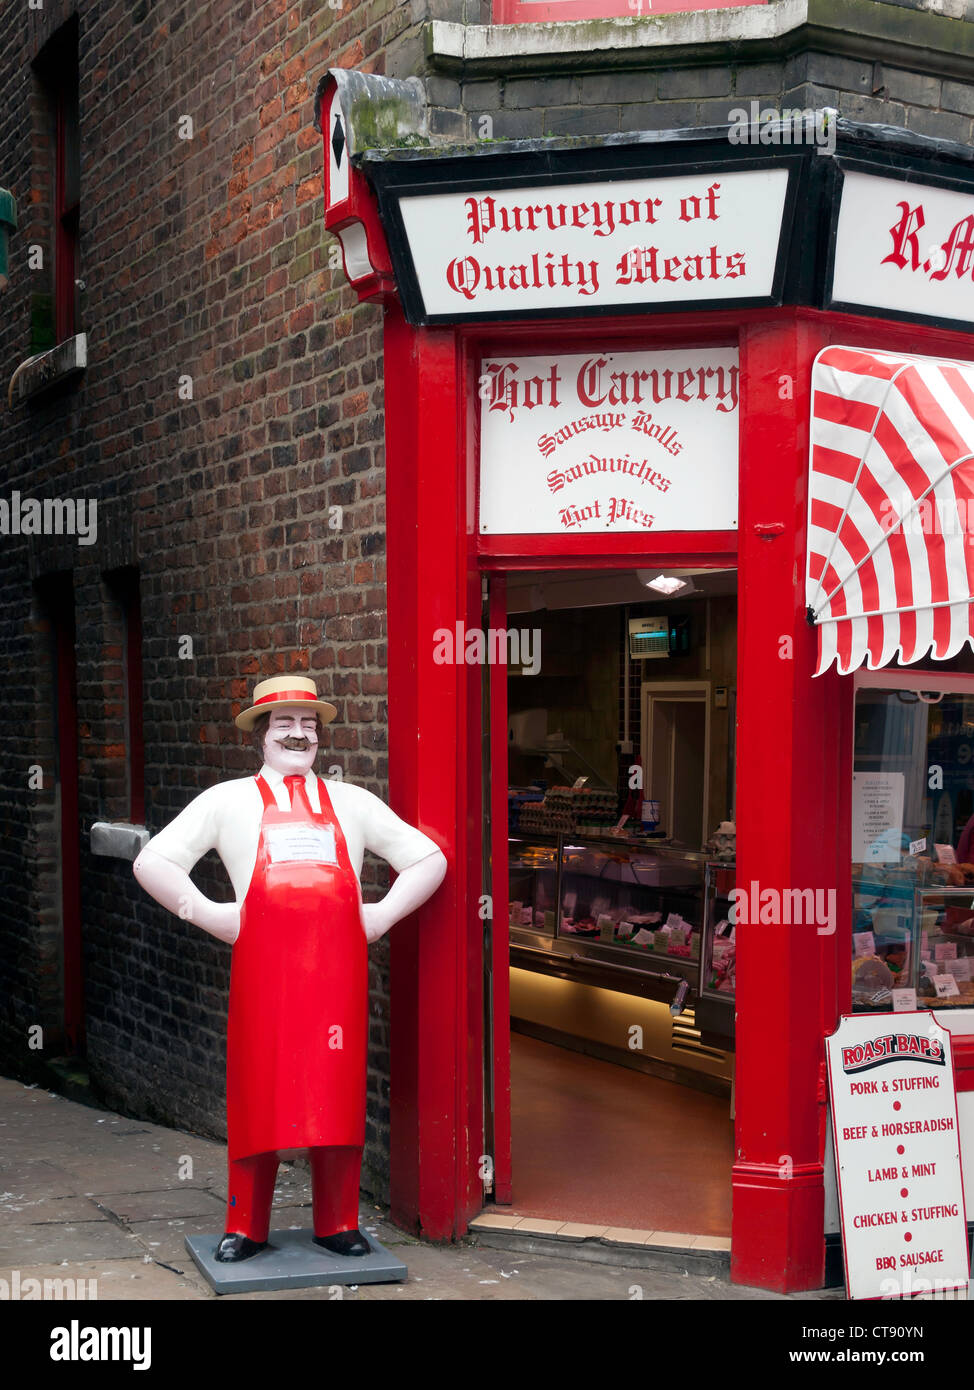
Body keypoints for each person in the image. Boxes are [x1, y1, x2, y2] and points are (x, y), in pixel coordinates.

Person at [133, 674, 447, 1262]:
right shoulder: (226, 801)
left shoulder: (352, 803)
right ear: (261, 735)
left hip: (337, 979)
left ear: (321, 736)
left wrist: (379, 918)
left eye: (309, 724)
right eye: (285, 723)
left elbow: (427, 859)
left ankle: (338, 1220)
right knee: (258, 1092)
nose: (299, 734)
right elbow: (154, 861)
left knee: (337, 1091)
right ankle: (245, 1225)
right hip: (263, 978)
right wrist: (211, 915)